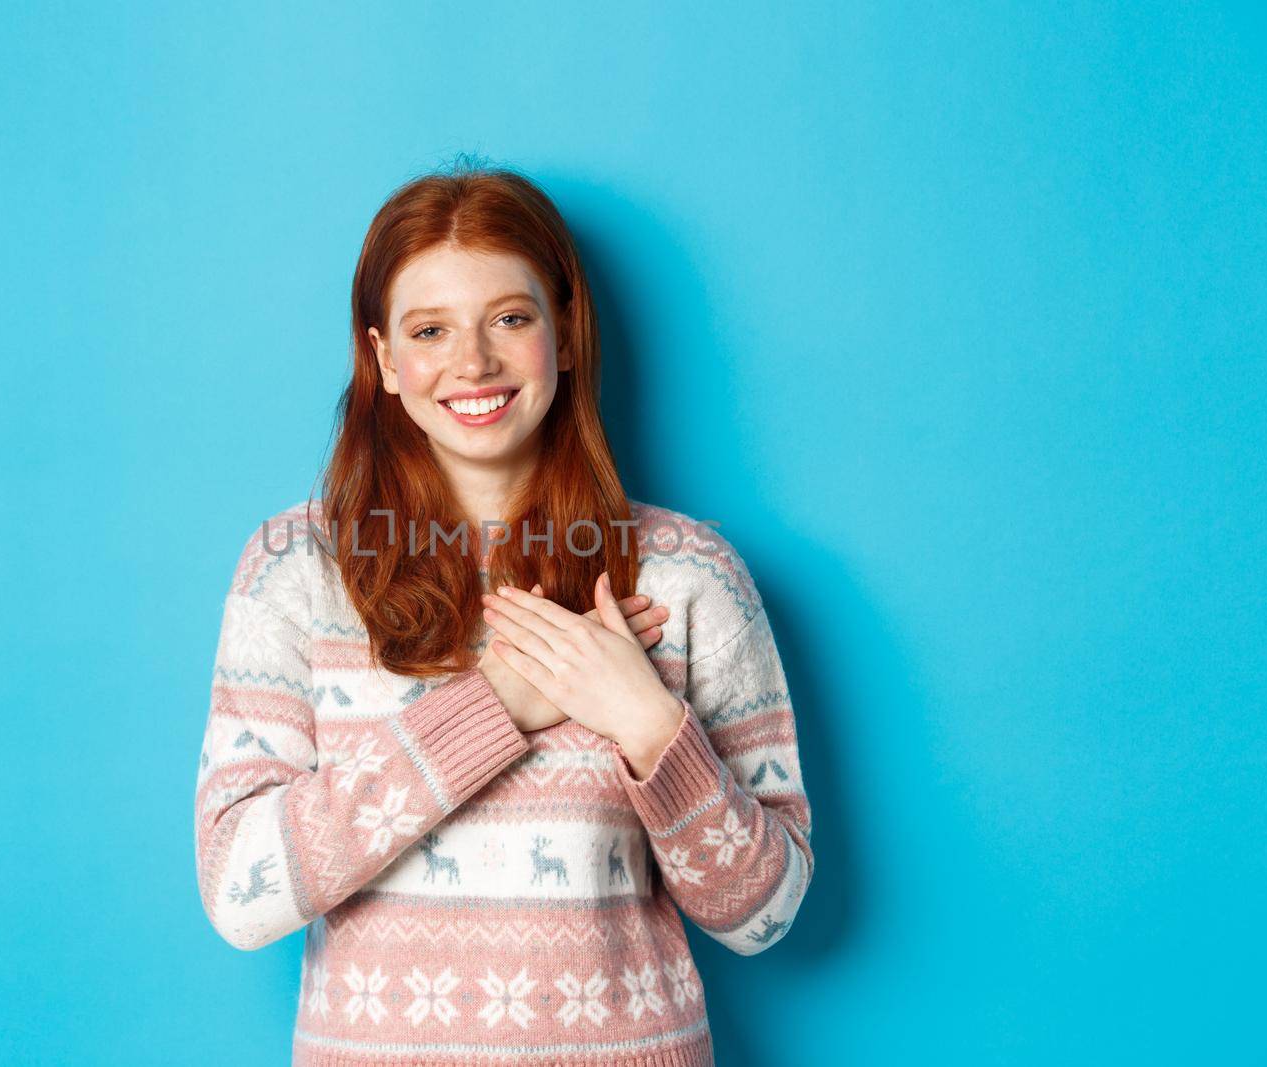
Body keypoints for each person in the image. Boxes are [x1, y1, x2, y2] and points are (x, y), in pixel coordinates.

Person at [193, 160, 814, 1066]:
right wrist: (496, 706)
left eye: (510, 319)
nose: (472, 362)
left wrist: (648, 723)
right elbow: (241, 894)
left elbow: (766, 914)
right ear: (384, 361)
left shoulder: (688, 576)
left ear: (565, 334)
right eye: (431, 328)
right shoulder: (295, 569)